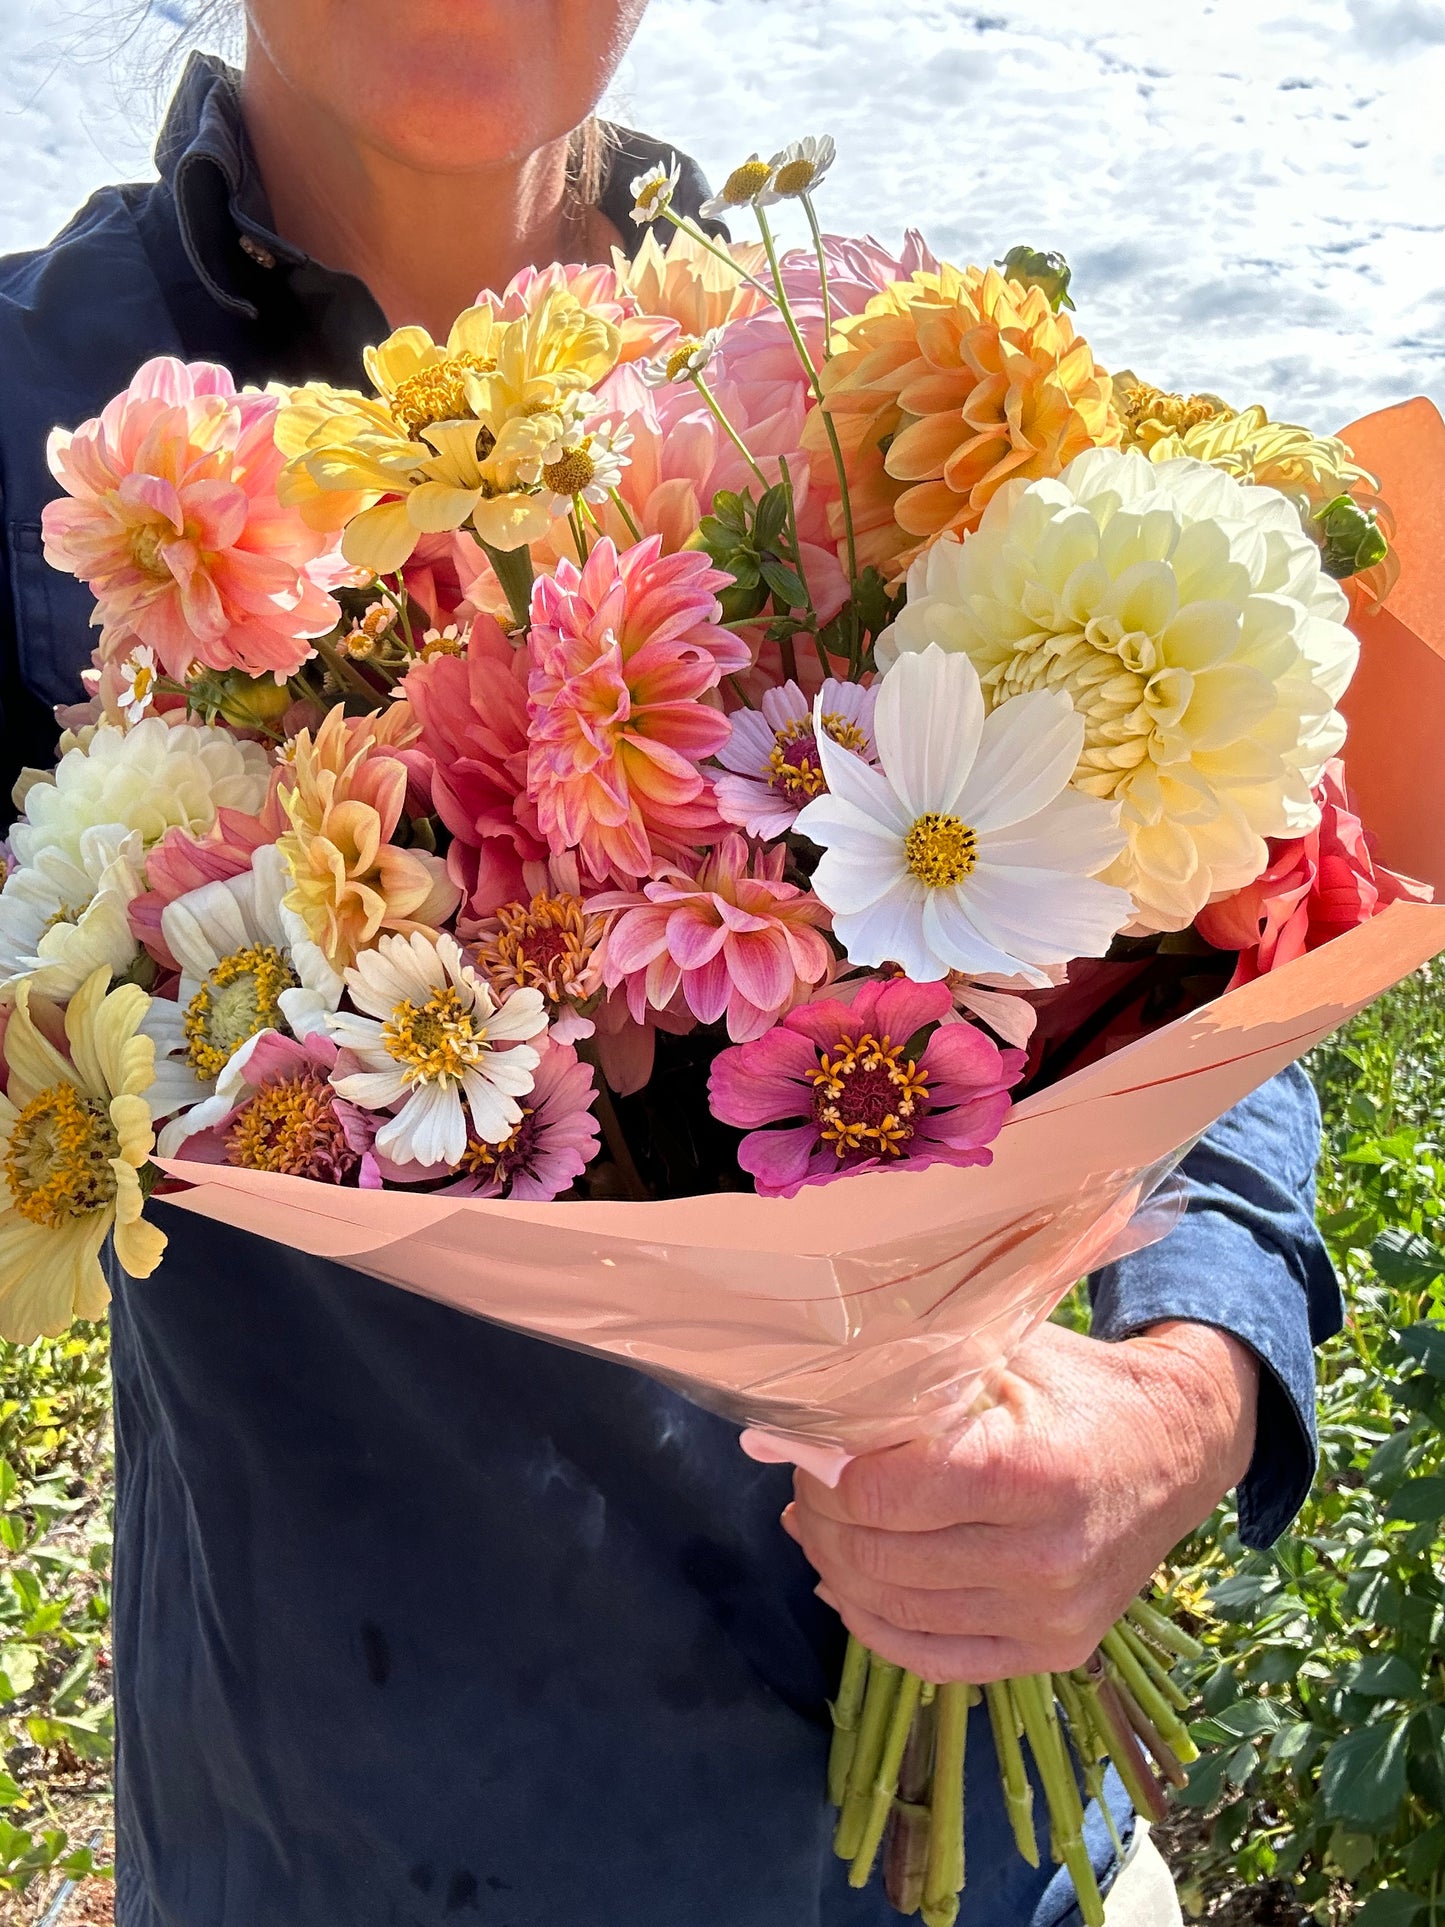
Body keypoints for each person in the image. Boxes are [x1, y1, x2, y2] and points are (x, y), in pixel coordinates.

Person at [0, 5, 1342, 1923]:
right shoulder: (30, 412)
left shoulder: (862, 368)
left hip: (971, 1840)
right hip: (357, 1840)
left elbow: (1210, 958)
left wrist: (1176, 1395)